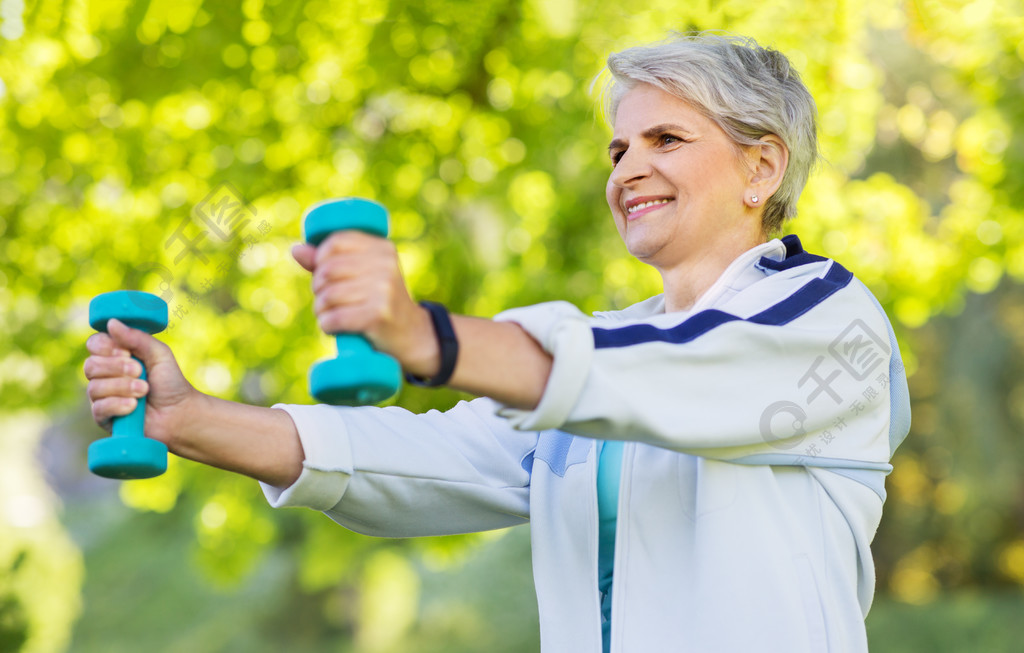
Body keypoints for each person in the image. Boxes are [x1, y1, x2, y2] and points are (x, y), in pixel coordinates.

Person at [84, 32, 911, 653]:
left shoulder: (827, 321)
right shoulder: (606, 350)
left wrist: (418, 332)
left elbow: (670, 375)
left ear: (762, 168)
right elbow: (423, 453)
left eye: (666, 140)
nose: (627, 170)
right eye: (619, 148)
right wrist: (184, 418)